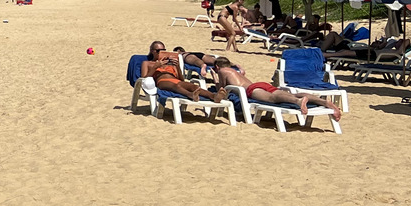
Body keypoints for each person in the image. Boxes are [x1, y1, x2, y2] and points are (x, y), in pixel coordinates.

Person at [212, 57, 341, 126]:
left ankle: (299, 101)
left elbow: (222, 90)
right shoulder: (236, 72)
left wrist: (214, 77)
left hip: (252, 90)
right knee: (286, 94)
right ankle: (324, 102)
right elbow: (241, 75)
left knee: (274, 99)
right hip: (260, 84)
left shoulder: (223, 71)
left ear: (217, 67)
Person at [142, 41, 226, 102]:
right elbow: (144, 79)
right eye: (158, 51)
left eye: (163, 50)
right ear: (153, 51)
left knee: (194, 87)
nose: (161, 52)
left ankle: (214, 96)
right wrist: (155, 67)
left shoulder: (169, 62)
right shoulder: (147, 63)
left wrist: (177, 66)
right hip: (162, 81)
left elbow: (181, 79)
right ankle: (190, 95)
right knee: (176, 86)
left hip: (175, 80)